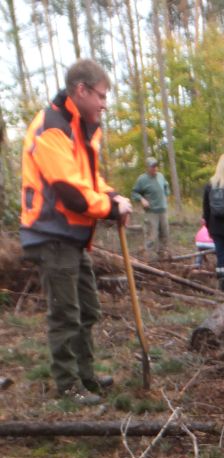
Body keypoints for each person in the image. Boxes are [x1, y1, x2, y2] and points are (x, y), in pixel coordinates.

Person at [20, 58, 132, 406]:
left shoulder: (84, 127)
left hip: (73, 238)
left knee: (88, 308)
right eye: (101, 95)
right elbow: (69, 191)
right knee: (66, 313)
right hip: (52, 236)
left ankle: (86, 375)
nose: (104, 103)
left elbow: (89, 181)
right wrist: (110, 209)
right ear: (81, 90)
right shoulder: (52, 128)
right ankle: (68, 386)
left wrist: (112, 195)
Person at [203, 152, 224, 292]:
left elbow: (206, 208)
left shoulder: (210, 184)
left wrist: (209, 227)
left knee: (221, 257)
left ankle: (223, 288)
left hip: (216, 227)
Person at [131, 157, 170, 259]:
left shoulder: (160, 176)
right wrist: (142, 199)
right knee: (151, 236)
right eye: (152, 166)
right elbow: (134, 192)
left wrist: (166, 195)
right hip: (151, 212)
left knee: (165, 234)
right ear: (148, 167)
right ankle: (149, 257)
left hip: (163, 210)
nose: (155, 168)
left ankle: (163, 255)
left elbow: (166, 185)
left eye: (156, 166)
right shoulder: (142, 179)